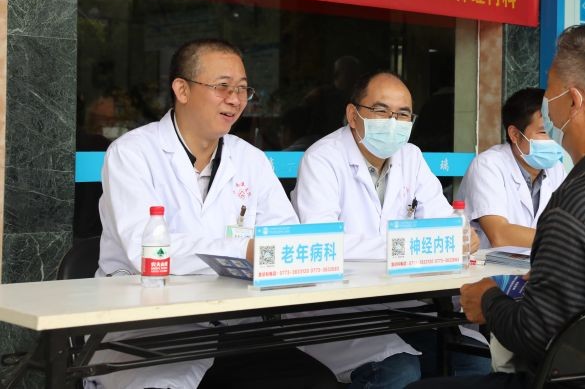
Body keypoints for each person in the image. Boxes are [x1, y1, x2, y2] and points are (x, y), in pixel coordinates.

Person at [409, 24, 585, 389]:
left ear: (573, 101)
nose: (546, 102)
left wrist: (488, 299)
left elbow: (534, 336)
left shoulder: (575, 203)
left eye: (549, 88)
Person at [90, 39, 337, 389]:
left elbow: (283, 234)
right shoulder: (132, 153)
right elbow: (146, 250)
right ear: (182, 90)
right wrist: (245, 249)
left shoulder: (250, 159)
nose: (235, 99)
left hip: (234, 324)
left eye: (242, 89)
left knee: (314, 381)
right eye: (222, 87)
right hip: (151, 326)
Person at [292, 70, 487, 387]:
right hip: (337, 310)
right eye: (381, 111)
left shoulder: (411, 157)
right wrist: (405, 246)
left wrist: (461, 235)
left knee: (472, 360)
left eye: (403, 114)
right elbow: (323, 243)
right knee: (398, 371)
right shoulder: (323, 158)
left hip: (403, 305)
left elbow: (443, 221)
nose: (393, 123)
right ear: (353, 115)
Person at [458, 88, 567, 249]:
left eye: (556, 130)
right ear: (515, 134)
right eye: (544, 131)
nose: (554, 139)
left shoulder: (556, 169)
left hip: (534, 262)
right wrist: (562, 240)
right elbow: (500, 235)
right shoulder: (488, 165)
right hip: (489, 264)